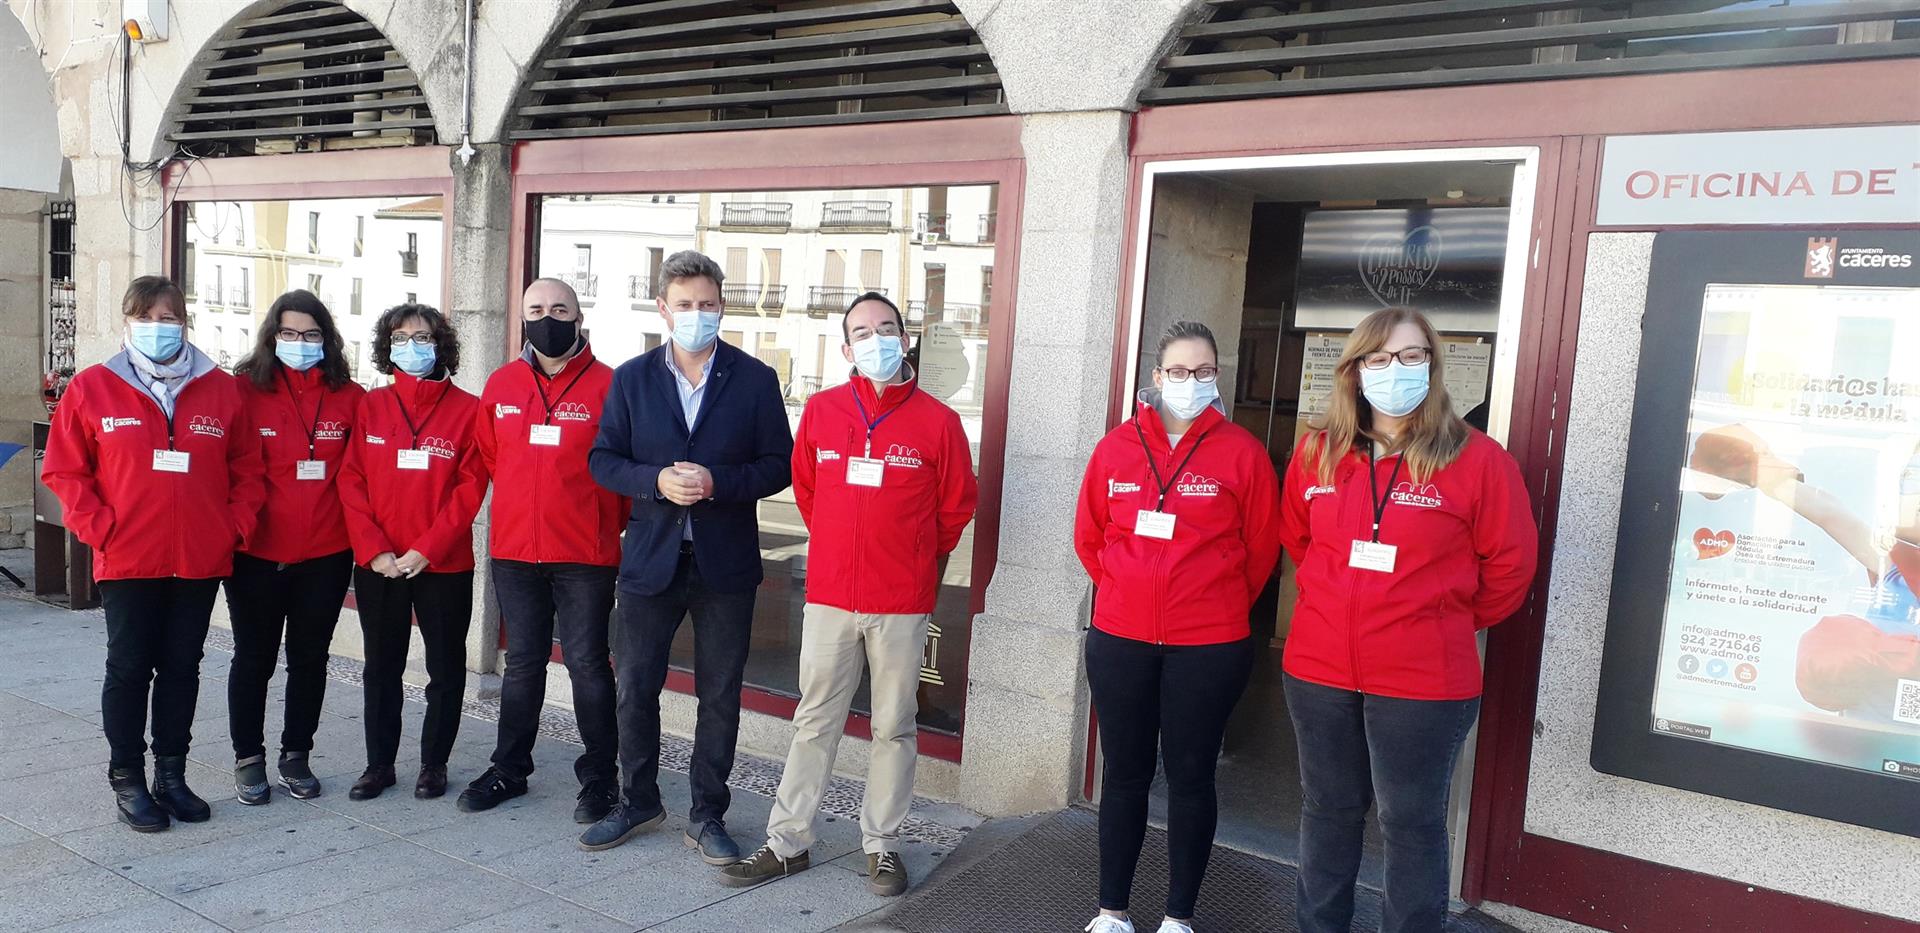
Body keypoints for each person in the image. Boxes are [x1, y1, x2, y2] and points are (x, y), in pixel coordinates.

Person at [1279, 306, 1537, 933]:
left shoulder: (1479, 461)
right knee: (1328, 811)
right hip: (1319, 673)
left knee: (1412, 824)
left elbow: (1509, 569)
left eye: (1412, 356)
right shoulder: (1317, 453)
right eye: (1379, 358)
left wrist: (1435, 618)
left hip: (1423, 684)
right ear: (1355, 370)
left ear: (1434, 365)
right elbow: (1300, 544)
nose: (1395, 370)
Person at [721, 293, 978, 896]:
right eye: (862, 331)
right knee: (814, 722)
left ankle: (883, 846)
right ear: (846, 348)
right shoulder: (823, 410)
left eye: (886, 328)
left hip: (901, 600)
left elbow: (954, 508)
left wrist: (914, 558)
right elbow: (808, 492)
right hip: (832, 596)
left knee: (895, 725)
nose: (876, 339)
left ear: (904, 338)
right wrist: (841, 545)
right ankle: (788, 843)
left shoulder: (939, 422)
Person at [1072, 321, 1283, 933]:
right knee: (1125, 775)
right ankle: (1112, 910)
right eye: (1181, 371)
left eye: (1206, 371)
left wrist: (1209, 604)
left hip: (1208, 647)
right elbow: (1090, 536)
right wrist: (1124, 586)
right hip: (1121, 639)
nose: (1193, 382)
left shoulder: (1240, 453)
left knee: (1192, 778)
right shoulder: (1116, 448)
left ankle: (1178, 916)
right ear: (1157, 378)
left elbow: (1261, 549)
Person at [583, 250, 793, 858]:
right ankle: (637, 800)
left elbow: (779, 464)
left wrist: (718, 483)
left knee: (720, 692)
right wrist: (654, 481)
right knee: (636, 685)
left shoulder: (754, 378)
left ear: (721, 306)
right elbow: (603, 460)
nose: (696, 314)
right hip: (651, 558)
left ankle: (708, 814)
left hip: (724, 564)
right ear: (663, 309)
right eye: (684, 305)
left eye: (706, 304)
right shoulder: (632, 378)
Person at [43, 275, 265, 832]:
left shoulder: (220, 389)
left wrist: (230, 529)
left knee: (182, 668)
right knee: (129, 667)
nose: (159, 328)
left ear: (186, 322)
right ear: (126, 323)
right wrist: (101, 528)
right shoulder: (92, 388)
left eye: (169, 318)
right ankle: (127, 778)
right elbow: (65, 470)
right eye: (147, 318)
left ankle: (172, 775)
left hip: (198, 557)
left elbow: (248, 470)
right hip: (128, 557)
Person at [458, 278, 625, 824]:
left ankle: (601, 779)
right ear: (522, 318)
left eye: (559, 308)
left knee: (587, 666)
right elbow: (489, 457)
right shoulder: (502, 384)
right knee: (523, 664)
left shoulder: (610, 386)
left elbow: (624, 470)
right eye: (536, 309)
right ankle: (510, 768)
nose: (547, 318)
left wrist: (600, 526)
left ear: (578, 317)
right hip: (514, 553)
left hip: (585, 556)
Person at [337, 303, 489, 802]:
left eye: (422, 338)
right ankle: (378, 764)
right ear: (387, 348)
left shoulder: (470, 410)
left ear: (440, 345)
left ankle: (434, 764)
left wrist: (426, 549)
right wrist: (374, 549)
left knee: (445, 668)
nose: (411, 346)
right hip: (379, 562)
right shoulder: (370, 407)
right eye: (400, 337)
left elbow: (470, 488)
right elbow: (351, 479)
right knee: (381, 666)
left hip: (442, 563)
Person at [224, 290, 365, 805]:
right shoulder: (241, 391)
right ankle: (248, 758)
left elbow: (359, 476)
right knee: (253, 659)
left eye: (310, 335)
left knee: (309, 659)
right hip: (256, 554)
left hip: (326, 555)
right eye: (288, 333)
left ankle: (296, 754)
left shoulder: (351, 397)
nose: (299, 343)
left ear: (326, 340)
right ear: (271, 336)